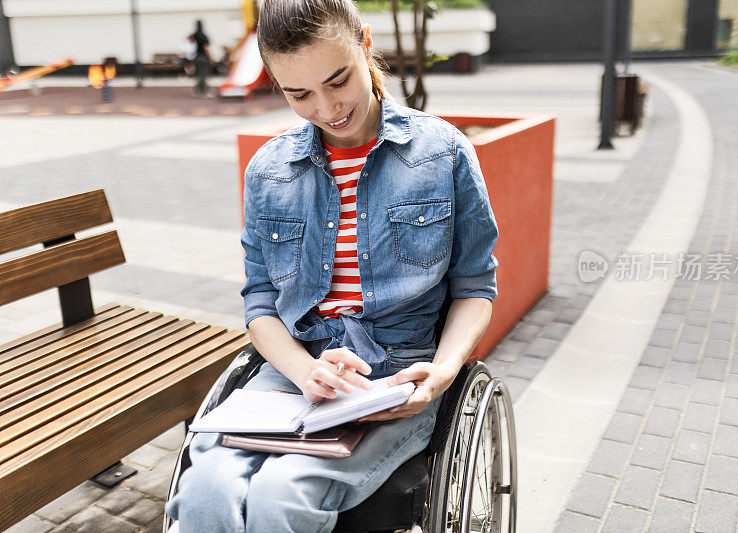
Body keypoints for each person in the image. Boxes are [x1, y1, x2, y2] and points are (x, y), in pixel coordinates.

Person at [164, 0, 498, 531]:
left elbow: (475, 286)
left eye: (338, 80)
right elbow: (261, 305)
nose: (327, 107)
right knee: (207, 488)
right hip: (293, 372)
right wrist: (305, 371)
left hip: (396, 379)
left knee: (282, 494)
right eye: (299, 94)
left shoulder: (443, 154)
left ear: (365, 45)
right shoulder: (270, 170)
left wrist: (440, 373)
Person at [189, 20, 211, 96]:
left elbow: (189, 41)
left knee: (198, 74)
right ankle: (203, 91)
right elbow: (206, 47)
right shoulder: (204, 36)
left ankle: (197, 91)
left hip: (197, 56)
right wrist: (210, 57)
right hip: (204, 57)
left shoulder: (195, 35)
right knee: (203, 75)